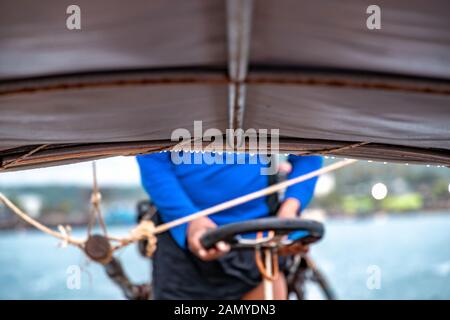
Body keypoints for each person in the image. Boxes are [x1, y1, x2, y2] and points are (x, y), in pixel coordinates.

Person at [136, 152, 322, 299]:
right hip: (180, 246)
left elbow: (311, 150)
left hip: (260, 244)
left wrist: (290, 209)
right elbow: (152, 160)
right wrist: (189, 220)